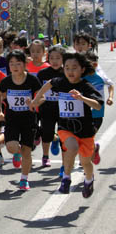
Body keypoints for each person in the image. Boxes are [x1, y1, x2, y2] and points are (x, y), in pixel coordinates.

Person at [31, 52, 103, 198]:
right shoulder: (60, 82)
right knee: (72, 146)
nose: (70, 71)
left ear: (82, 70)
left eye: (74, 68)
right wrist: (36, 99)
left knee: (85, 162)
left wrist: (81, 97)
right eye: (67, 68)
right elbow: (48, 84)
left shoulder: (86, 86)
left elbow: (97, 106)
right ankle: (66, 178)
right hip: (65, 127)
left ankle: (89, 180)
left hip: (85, 130)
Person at [0, 50, 42, 190]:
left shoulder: (32, 80)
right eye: (11, 64)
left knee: (27, 150)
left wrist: (34, 103)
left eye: (18, 63)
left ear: (24, 64)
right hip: (12, 119)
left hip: (29, 119)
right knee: (11, 147)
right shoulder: (6, 81)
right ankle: (17, 153)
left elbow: (42, 97)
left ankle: (24, 179)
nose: (15, 67)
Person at [83, 51, 114, 165]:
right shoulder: (81, 77)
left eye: (87, 65)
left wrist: (110, 97)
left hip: (98, 114)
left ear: (95, 65)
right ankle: (92, 150)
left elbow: (110, 85)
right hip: (84, 113)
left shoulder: (100, 76)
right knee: (87, 138)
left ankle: (87, 160)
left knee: (90, 136)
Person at [36, 46, 65, 167]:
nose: (55, 61)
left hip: (63, 110)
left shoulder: (67, 72)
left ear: (63, 59)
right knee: (46, 134)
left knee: (65, 135)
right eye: (52, 58)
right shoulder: (43, 73)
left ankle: (65, 162)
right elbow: (37, 90)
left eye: (58, 58)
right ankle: (45, 156)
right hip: (46, 109)